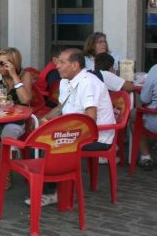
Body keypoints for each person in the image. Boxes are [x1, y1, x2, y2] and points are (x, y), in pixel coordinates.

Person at [39, 48, 116, 205]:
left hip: (97, 136)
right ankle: (54, 185)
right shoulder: (64, 81)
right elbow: (60, 107)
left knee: (52, 145)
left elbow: (90, 119)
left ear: (74, 65)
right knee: (43, 139)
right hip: (76, 131)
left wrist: (65, 133)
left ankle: (53, 192)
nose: (57, 66)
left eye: (61, 62)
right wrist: (43, 119)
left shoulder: (88, 82)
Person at [0, 47, 34, 190]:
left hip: (17, 120)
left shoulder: (25, 75)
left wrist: (13, 76)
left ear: (13, 64)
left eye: (3, 64)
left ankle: (6, 174)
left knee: (8, 135)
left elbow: (25, 99)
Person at [136, 62, 157, 170]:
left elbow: (144, 99)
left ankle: (145, 157)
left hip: (155, 123)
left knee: (134, 115)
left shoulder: (155, 69)